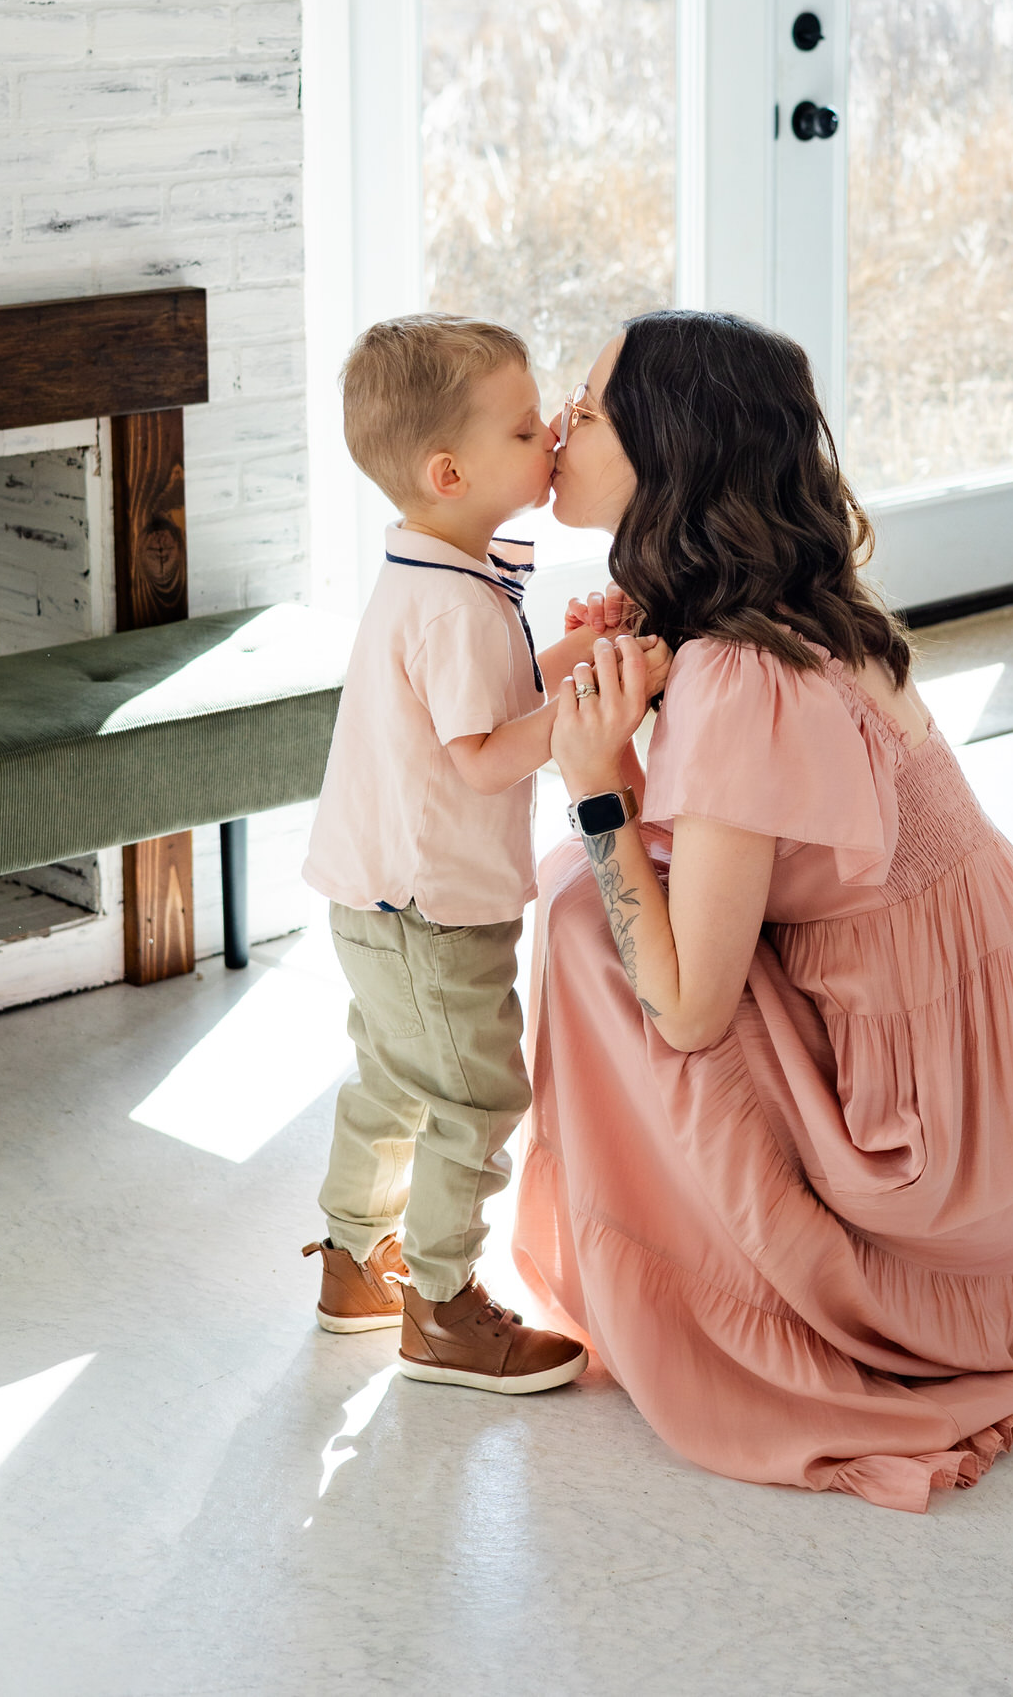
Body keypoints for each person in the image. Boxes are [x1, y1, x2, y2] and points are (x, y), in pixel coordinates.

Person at [514, 308, 1013, 1508]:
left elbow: (692, 1010)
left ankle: (709, 1289)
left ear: (671, 454)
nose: (558, 426)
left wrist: (597, 790)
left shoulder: (736, 676)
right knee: (618, 886)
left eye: (587, 408)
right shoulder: (796, 613)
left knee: (586, 911)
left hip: (943, 1175)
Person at [300, 313, 665, 1393]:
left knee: (394, 1080)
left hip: (373, 894)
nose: (552, 429)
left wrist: (574, 646)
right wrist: (593, 700)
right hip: (430, 906)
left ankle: (354, 1261)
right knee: (473, 1096)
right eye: (524, 427)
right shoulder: (455, 603)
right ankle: (443, 1307)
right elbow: (483, 759)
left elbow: (489, 696)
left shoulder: (436, 575)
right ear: (450, 469)